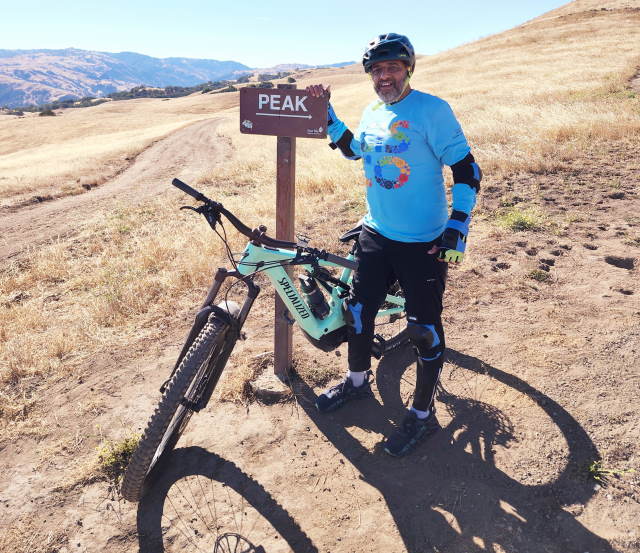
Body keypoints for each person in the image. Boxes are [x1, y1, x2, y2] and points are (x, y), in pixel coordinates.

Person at [306, 33, 481, 457]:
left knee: (423, 329)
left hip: (424, 242)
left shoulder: (432, 110)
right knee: (359, 313)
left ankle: (422, 417)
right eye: (377, 70)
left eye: (392, 68)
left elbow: (466, 169)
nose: (385, 76)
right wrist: (327, 114)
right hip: (376, 233)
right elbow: (355, 151)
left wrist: (457, 226)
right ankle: (356, 382)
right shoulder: (372, 112)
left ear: (408, 68)